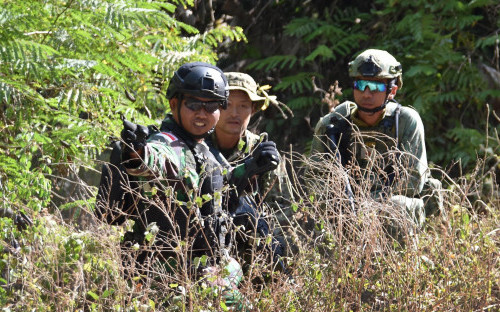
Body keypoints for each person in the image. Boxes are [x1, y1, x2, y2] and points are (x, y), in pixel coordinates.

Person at [95, 62, 281, 288]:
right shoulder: (167, 142)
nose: (202, 113)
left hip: (203, 268)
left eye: (211, 105)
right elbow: (156, 160)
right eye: (193, 104)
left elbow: (220, 182)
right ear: (175, 104)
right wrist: (136, 153)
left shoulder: (200, 147)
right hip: (166, 273)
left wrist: (251, 166)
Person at [311, 49, 443, 232]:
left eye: (376, 87)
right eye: (361, 85)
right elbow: (315, 178)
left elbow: (413, 181)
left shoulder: (405, 121)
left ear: (392, 91)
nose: (366, 94)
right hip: (346, 208)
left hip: (394, 207)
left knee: (397, 205)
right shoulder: (332, 125)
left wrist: (369, 203)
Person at [205, 72, 294, 269]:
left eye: (243, 106)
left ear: (253, 110)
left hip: (250, 246)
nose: (234, 113)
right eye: (227, 105)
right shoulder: (198, 146)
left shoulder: (262, 151)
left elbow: (283, 212)